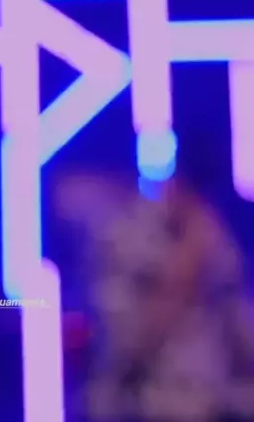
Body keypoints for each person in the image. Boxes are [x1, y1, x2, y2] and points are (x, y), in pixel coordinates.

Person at [54, 169, 254, 421]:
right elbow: (126, 347)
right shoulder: (127, 254)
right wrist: (185, 268)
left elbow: (243, 338)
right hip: (142, 404)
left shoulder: (219, 257)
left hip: (207, 402)